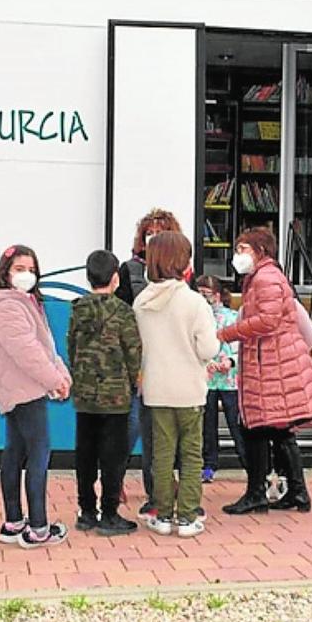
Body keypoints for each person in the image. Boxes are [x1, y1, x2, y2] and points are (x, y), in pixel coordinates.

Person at [0, 245, 72, 548]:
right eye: (19, 269)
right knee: (38, 452)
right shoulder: (10, 307)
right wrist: (55, 378)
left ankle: (14, 521)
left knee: (15, 451)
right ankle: (38, 527)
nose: (27, 274)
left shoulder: (21, 302)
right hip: (25, 389)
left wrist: (59, 374)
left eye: (31, 269)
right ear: (5, 272)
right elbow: (28, 352)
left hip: (20, 388)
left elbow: (44, 347)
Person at [218, 227, 312, 516]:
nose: (237, 256)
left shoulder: (265, 278)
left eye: (243, 249)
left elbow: (267, 320)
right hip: (273, 362)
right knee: (279, 430)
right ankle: (297, 492)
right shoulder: (265, 277)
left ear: (260, 251)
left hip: (271, 364)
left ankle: (257, 494)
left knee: (254, 428)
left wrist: (228, 333)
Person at [133, 233, 219, 538]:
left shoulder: (141, 301)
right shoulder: (194, 302)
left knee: (162, 455)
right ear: (184, 262)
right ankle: (187, 517)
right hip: (190, 391)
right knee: (192, 454)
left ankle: (163, 514)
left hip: (156, 390)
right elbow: (208, 349)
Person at [114, 208, 182, 521]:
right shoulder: (129, 270)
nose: (153, 237)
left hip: (169, 361)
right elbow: (122, 314)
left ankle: (159, 492)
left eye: (161, 231)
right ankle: (113, 480)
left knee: (160, 431)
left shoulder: (183, 275)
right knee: (129, 426)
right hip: (137, 360)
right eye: (149, 232)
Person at [67, 250, 141, 536]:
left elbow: (71, 347)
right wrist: (134, 380)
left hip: (85, 395)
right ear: (115, 278)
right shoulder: (123, 311)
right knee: (113, 455)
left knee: (85, 454)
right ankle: (109, 513)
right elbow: (133, 351)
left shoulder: (77, 308)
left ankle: (86, 511)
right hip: (116, 397)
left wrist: (79, 375)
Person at [196, 275, 240, 483]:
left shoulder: (232, 316)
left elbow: (239, 344)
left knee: (236, 422)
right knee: (207, 425)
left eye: (207, 294)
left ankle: (250, 462)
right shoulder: (197, 317)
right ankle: (209, 464)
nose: (203, 298)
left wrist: (230, 361)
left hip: (230, 379)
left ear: (217, 294)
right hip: (206, 377)